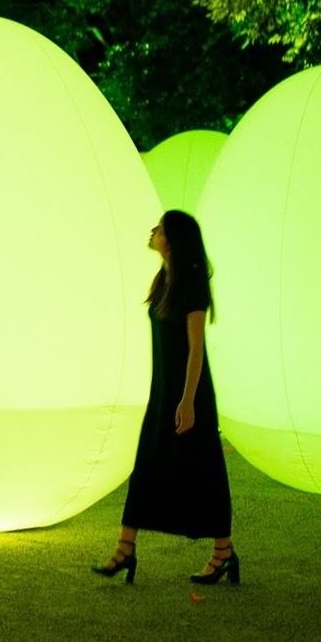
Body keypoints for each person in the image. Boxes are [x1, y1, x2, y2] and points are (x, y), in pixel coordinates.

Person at [92, 209, 237, 585]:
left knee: (205, 470)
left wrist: (188, 401)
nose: (153, 230)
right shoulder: (163, 280)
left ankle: (223, 552)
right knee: (148, 463)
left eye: (159, 227)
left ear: (171, 239)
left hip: (190, 395)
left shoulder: (191, 283)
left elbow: (195, 349)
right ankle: (125, 548)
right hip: (164, 394)